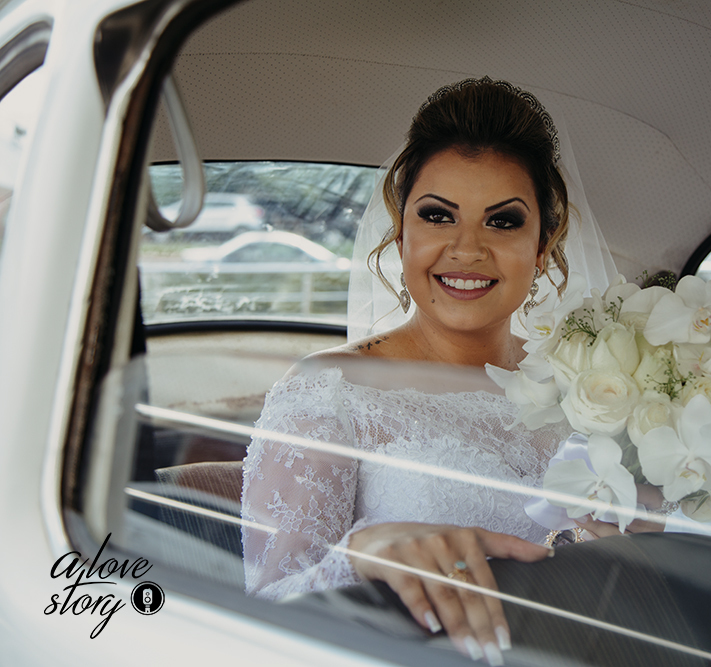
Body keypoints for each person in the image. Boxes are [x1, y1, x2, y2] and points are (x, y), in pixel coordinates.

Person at [241, 77, 620, 664]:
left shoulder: (595, 386)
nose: (466, 249)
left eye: (503, 222)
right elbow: (262, 622)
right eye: (438, 215)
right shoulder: (329, 393)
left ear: (543, 245)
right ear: (402, 234)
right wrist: (363, 552)